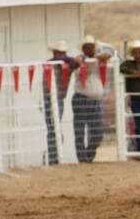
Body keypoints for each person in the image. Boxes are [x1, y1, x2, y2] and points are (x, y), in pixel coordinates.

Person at [71, 35, 109, 164]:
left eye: (91, 47)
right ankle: (83, 158)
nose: (89, 49)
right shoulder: (80, 61)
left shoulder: (97, 60)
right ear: (83, 49)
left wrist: (94, 59)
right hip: (82, 98)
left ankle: (88, 154)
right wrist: (89, 60)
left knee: (97, 133)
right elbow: (81, 68)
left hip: (96, 100)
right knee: (80, 130)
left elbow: (107, 55)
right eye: (87, 47)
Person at [43, 41, 75, 165]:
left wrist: (66, 59)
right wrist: (64, 58)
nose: (61, 55)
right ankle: (53, 157)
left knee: (55, 128)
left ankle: (55, 156)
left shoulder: (68, 64)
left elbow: (77, 60)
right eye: (59, 53)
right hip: (48, 99)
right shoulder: (50, 63)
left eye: (63, 53)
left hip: (59, 99)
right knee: (53, 129)